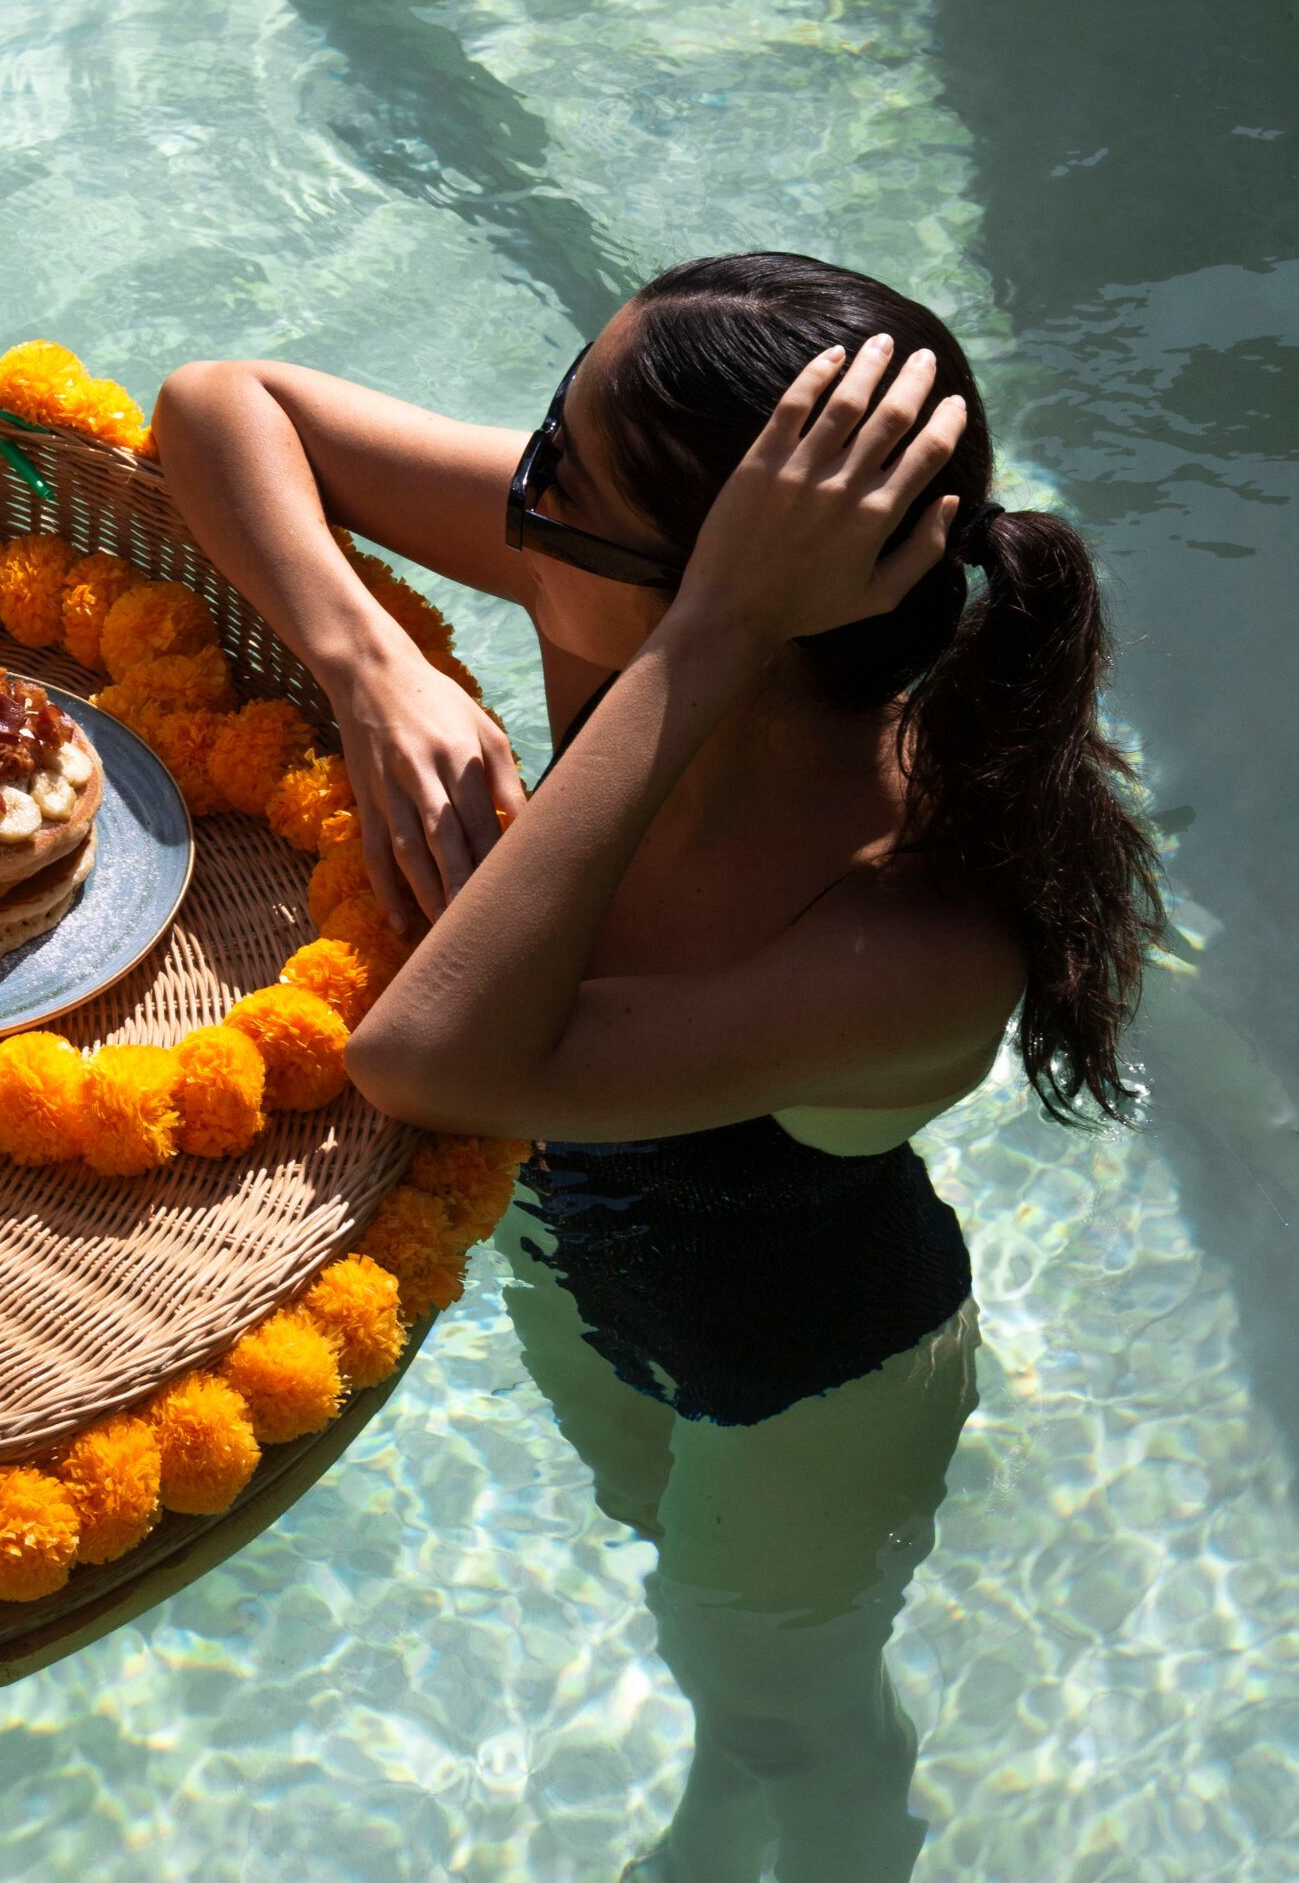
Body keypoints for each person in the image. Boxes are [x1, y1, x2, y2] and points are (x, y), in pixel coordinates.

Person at [153, 250, 1164, 1881]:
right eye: (548, 429)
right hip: (582, 1265)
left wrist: (705, 631)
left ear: (743, 591)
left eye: (561, 468)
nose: (520, 489)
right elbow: (224, 406)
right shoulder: (614, 592)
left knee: (791, 1703)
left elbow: (431, 1059)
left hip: (808, 1392)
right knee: (686, 1617)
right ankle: (722, 1798)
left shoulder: (908, 931)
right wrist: (369, 662)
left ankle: (847, 1837)